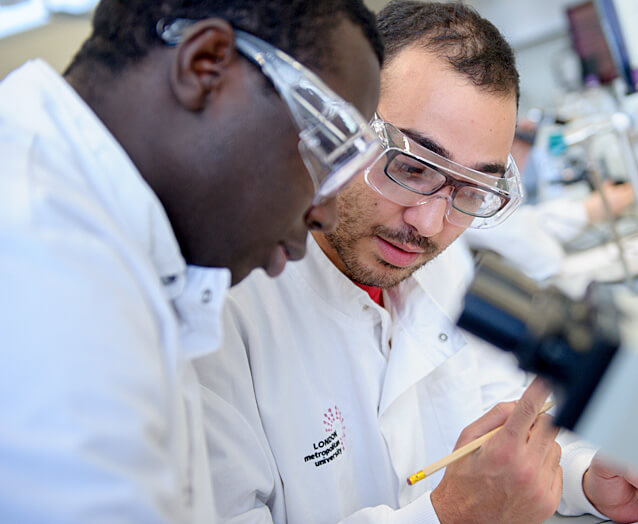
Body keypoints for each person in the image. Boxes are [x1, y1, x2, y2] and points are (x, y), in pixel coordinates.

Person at [196, 2, 638, 523]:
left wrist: (587, 477)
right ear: (337, 124)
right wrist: (448, 515)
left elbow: (499, 419)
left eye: (471, 190)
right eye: (410, 168)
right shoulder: (219, 314)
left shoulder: (442, 268)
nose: (430, 224)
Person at [0, 0, 382, 521]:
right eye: (324, 151)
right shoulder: (44, 265)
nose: (326, 213)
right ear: (206, 65)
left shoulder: (102, 243)